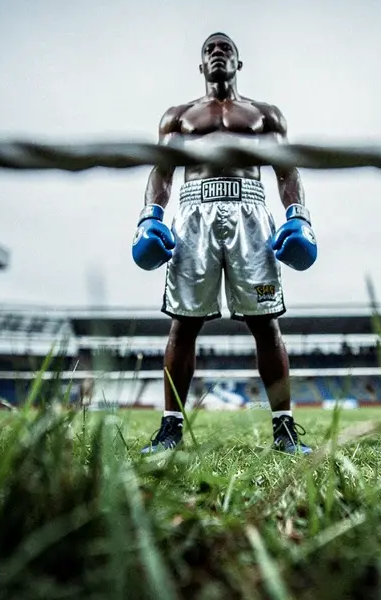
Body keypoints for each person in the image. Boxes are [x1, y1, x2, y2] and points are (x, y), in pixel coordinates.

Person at [131, 32, 317, 454]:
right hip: (194, 211)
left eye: (226, 48)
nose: (218, 53)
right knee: (184, 322)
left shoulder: (265, 114)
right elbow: (161, 173)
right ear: (201, 66)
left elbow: (286, 172)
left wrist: (298, 217)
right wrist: (150, 218)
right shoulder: (177, 116)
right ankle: (171, 429)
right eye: (210, 50)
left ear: (238, 62)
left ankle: (284, 430)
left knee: (265, 322)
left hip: (251, 210)